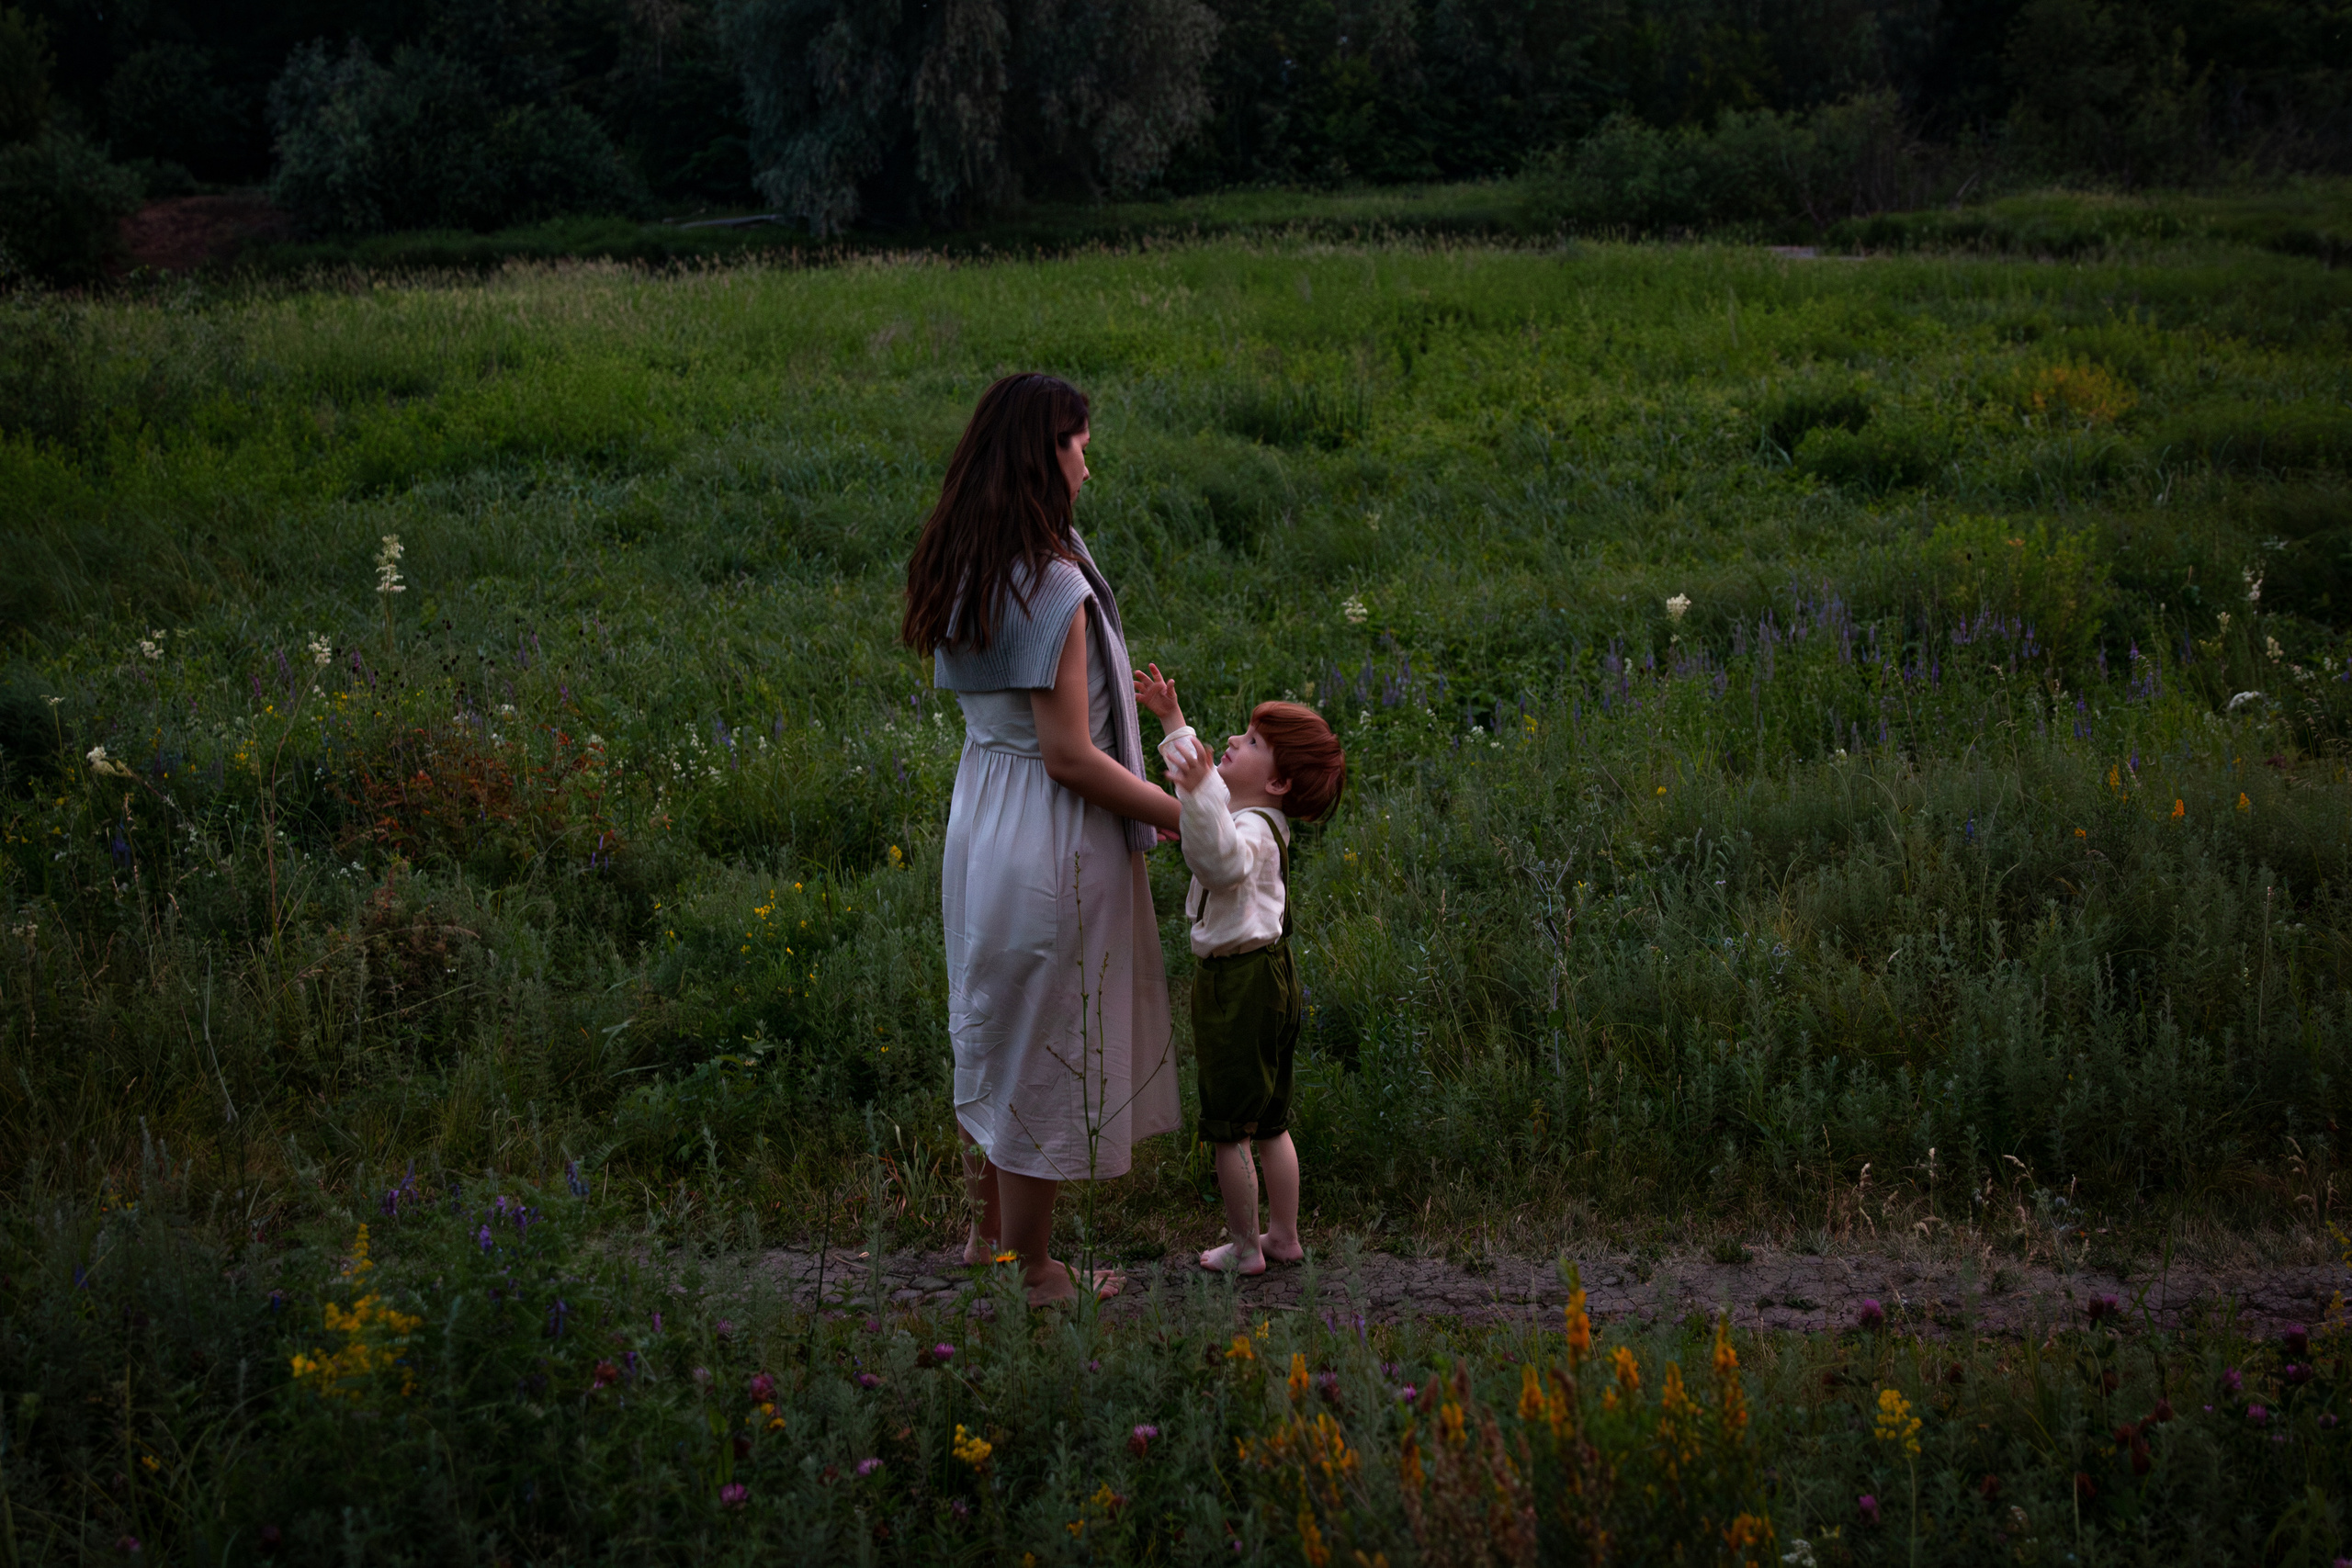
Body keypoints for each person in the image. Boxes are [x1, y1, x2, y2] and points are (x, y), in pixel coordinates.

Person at [901, 372, 1182, 1307]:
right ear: (1041, 455)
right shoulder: (1055, 582)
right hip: (1052, 832)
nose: (1088, 465)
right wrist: (1178, 812)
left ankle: (992, 1238)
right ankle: (1036, 1270)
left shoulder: (972, 559)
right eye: (1078, 445)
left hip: (983, 815)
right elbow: (1069, 756)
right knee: (1048, 1041)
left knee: (995, 1021)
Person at [1133, 669, 1346, 1275]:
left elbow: (1221, 859)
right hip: (1273, 974)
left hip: (1238, 986)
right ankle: (1283, 1236)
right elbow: (1213, 817)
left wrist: (1198, 797)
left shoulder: (1250, 830)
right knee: (1272, 1120)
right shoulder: (1256, 817)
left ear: (1277, 780)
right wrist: (1173, 722)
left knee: (1231, 1128)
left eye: (1253, 742)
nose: (1235, 740)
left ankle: (1246, 1246)